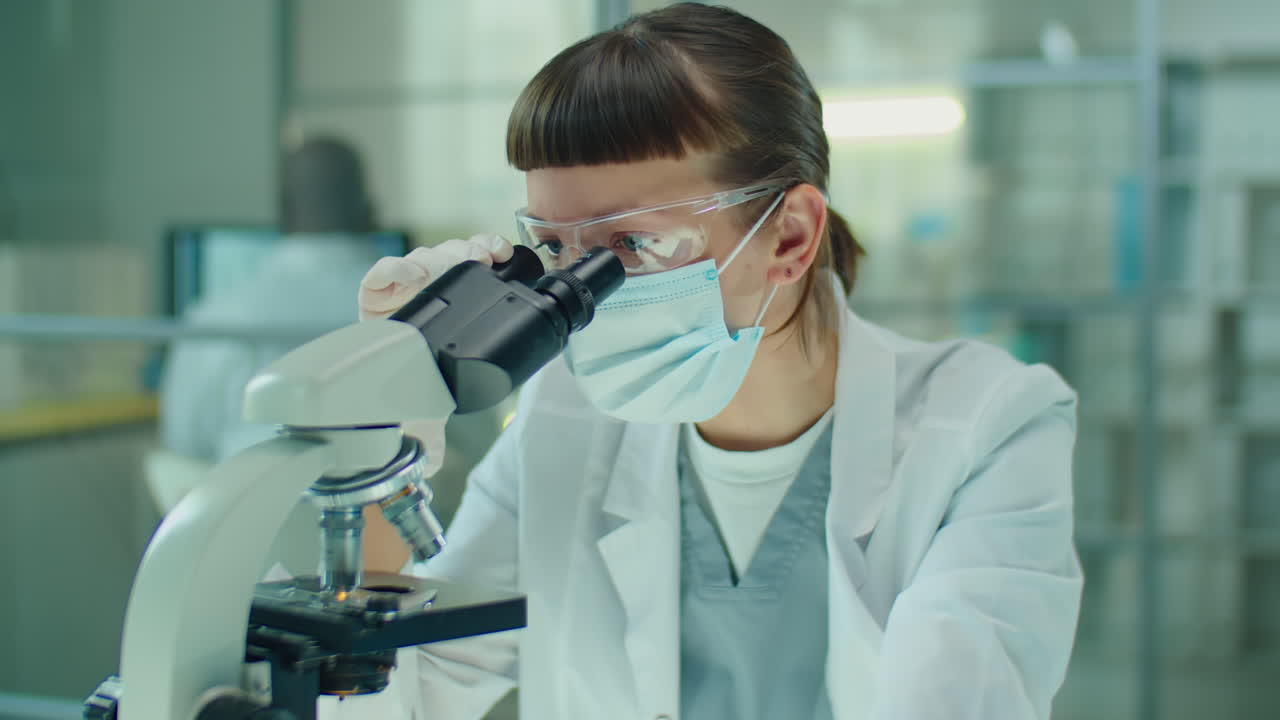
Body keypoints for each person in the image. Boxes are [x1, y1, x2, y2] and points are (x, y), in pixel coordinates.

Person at [353, 5, 1082, 719]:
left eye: (632, 246)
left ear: (790, 237)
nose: (583, 296)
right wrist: (382, 428)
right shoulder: (562, 418)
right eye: (556, 250)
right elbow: (402, 690)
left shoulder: (988, 427)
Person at [160, 136, 387, 463]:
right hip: (390, 507)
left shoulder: (219, 316)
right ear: (369, 209)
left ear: (283, 207)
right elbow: (457, 437)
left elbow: (186, 439)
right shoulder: (412, 312)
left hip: (251, 508)